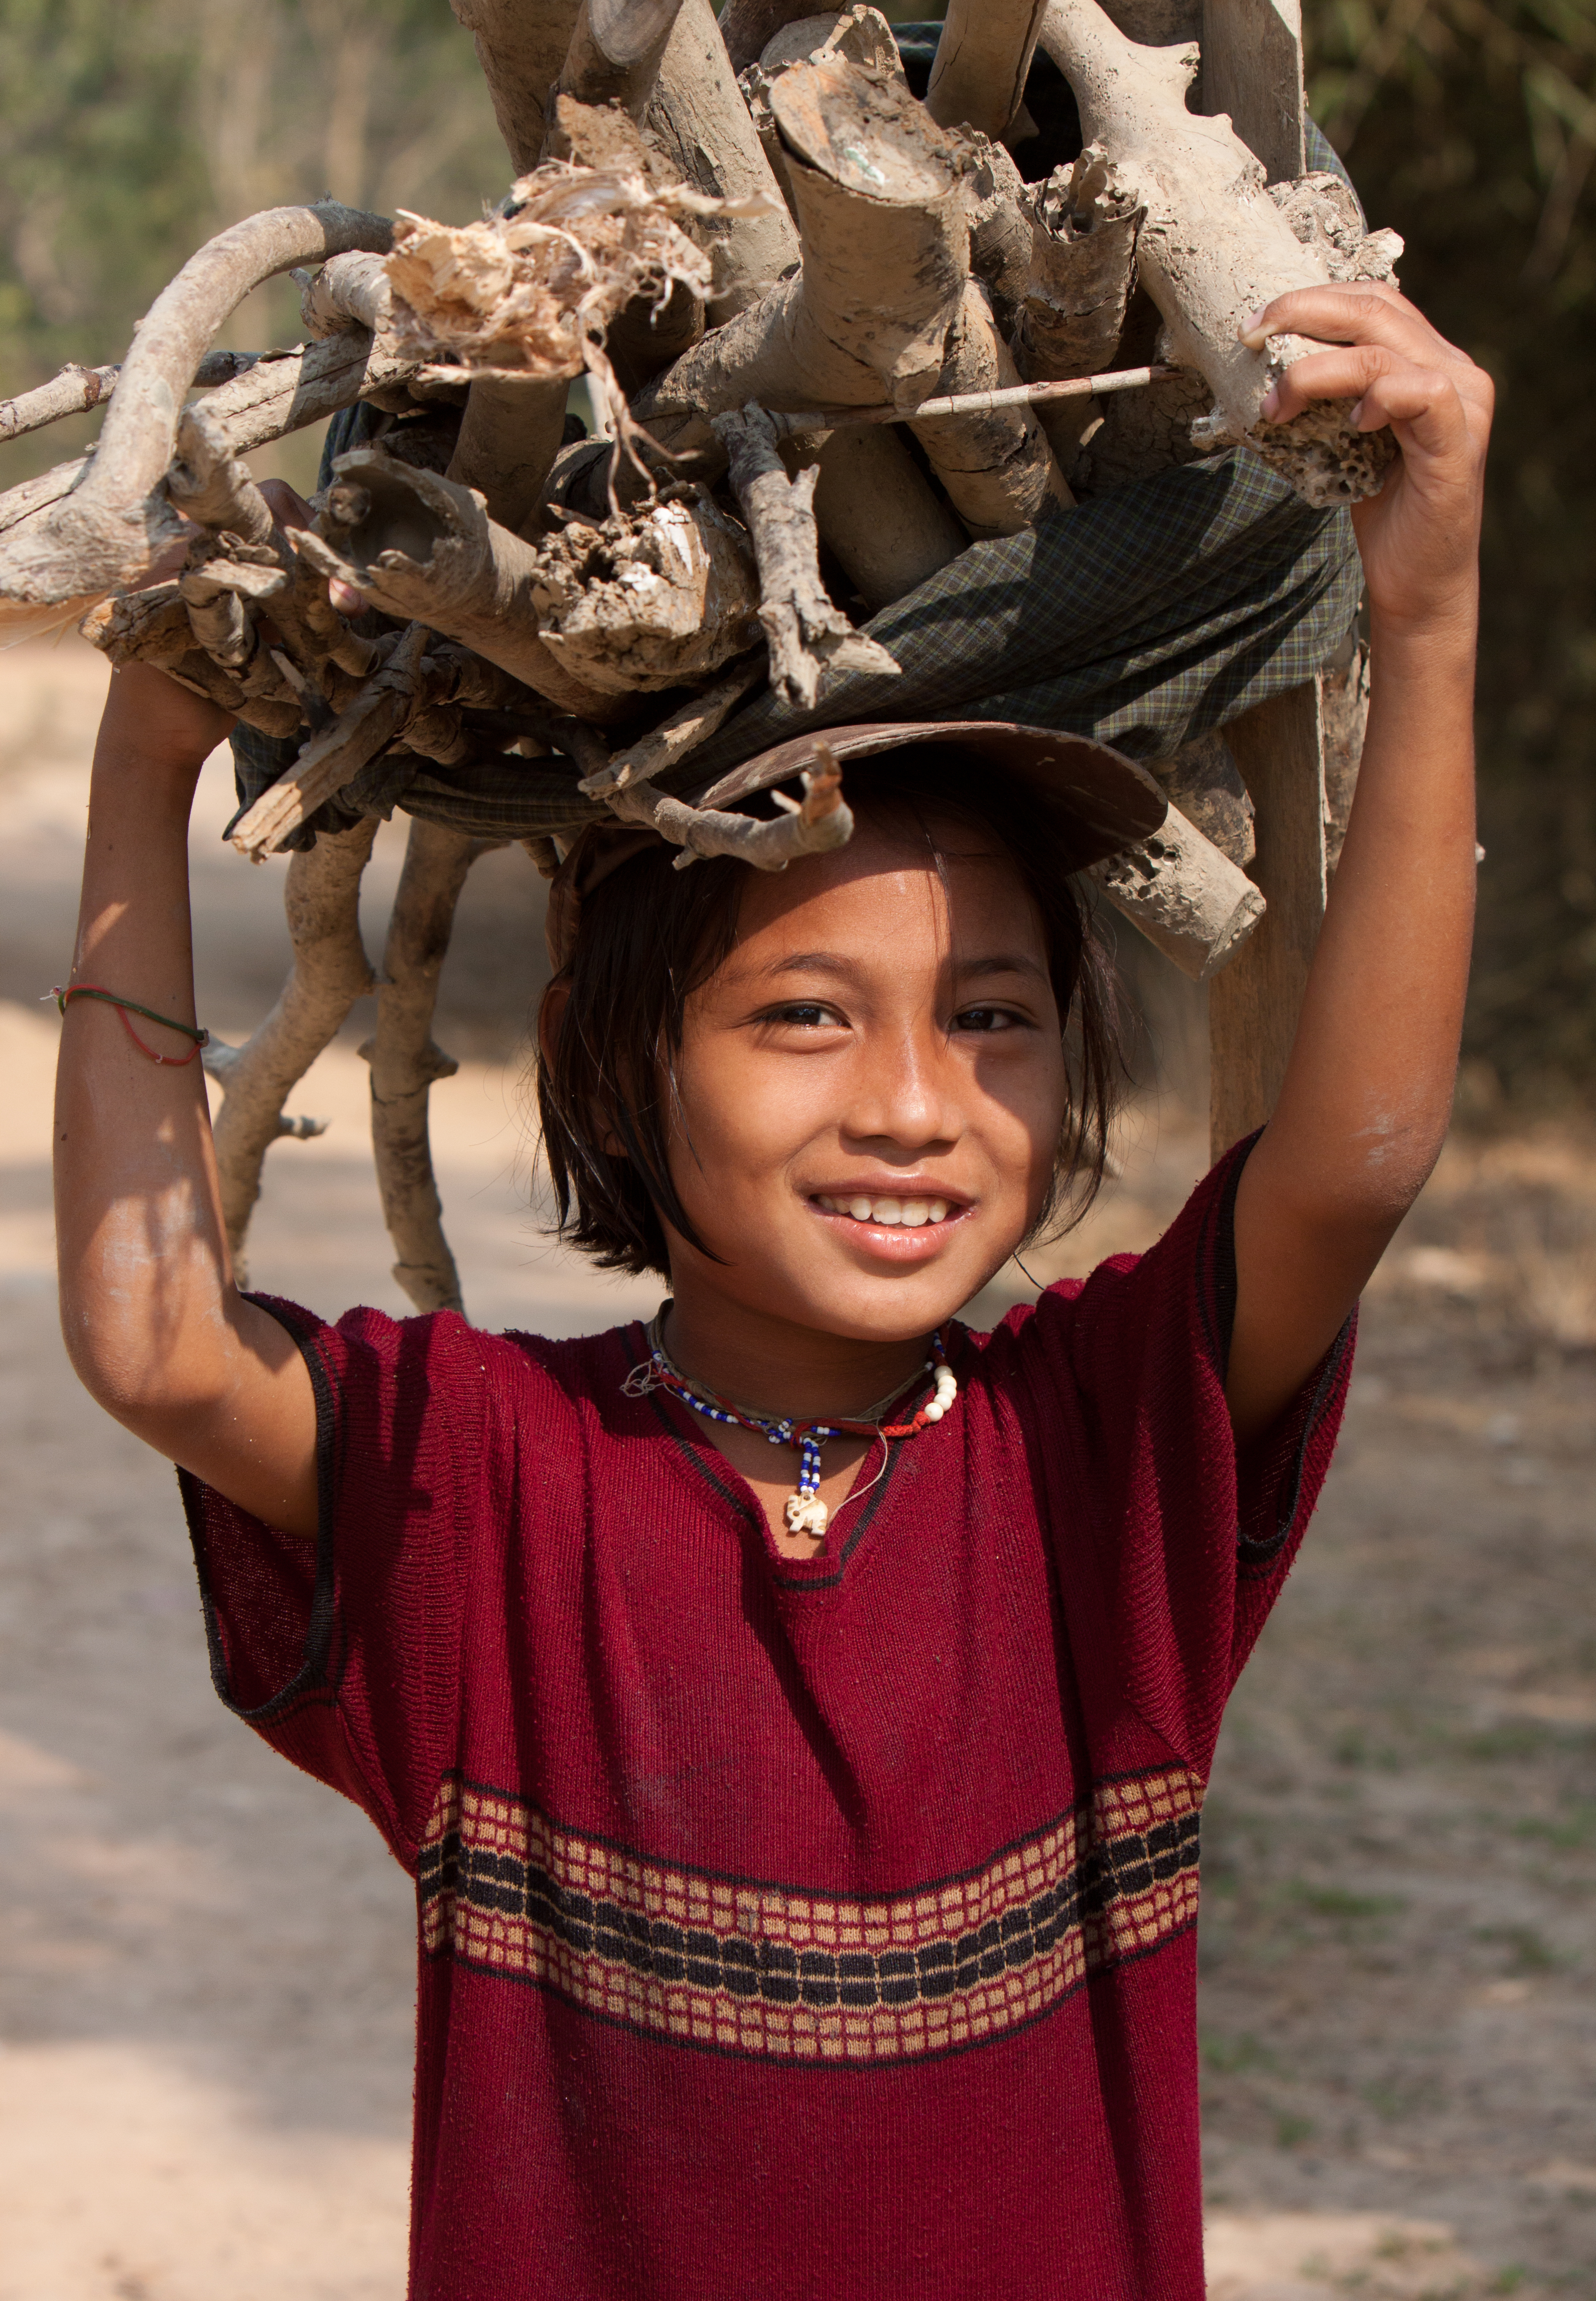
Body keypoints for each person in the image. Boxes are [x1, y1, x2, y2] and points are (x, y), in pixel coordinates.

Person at [53, 284, 1490, 2300]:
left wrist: (1425, 615)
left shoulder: (1094, 1465)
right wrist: (147, 757)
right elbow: (153, 1336)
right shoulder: (497, 1487)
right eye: (806, 1015)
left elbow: (1354, 1162)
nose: (913, 1105)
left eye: (993, 1016)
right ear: (616, 1049)